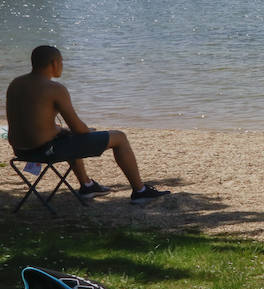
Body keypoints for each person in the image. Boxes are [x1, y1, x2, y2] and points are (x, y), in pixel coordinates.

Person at [5, 45, 169, 203]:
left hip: (21, 151)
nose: (62, 66)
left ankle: (87, 185)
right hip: (45, 152)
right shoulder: (54, 88)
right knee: (119, 137)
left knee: (67, 135)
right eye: (61, 62)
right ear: (54, 63)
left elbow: (27, 122)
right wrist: (87, 130)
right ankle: (140, 191)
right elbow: (78, 128)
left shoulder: (15, 84)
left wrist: (60, 130)